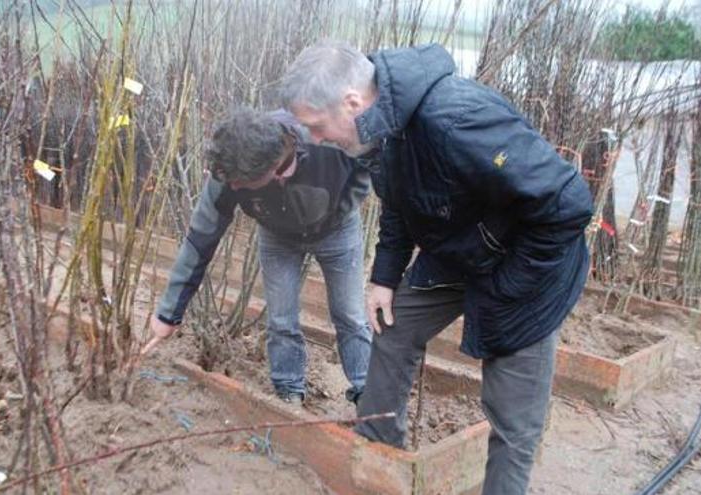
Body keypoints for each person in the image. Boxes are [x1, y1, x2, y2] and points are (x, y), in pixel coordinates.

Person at [280, 41, 594, 493]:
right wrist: (385, 278)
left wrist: (506, 290)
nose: (315, 139)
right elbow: (398, 203)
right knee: (393, 329)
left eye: (316, 125)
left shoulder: (454, 119)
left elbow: (568, 204)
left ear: (351, 103)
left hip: (528, 268)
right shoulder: (382, 128)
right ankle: (379, 458)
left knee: (512, 418)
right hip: (464, 249)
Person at [145, 107, 372, 406]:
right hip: (278, 237)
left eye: (242, 183)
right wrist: (168, 313)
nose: (235, 188)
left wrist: (340, 208)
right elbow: (200, 239)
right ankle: (288, 391)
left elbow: (368, 164)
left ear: (275, 171)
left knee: (350, 315)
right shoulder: (229, 171)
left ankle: (369, 394)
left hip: (337, 231)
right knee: (280, 317)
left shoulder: (325, 139)